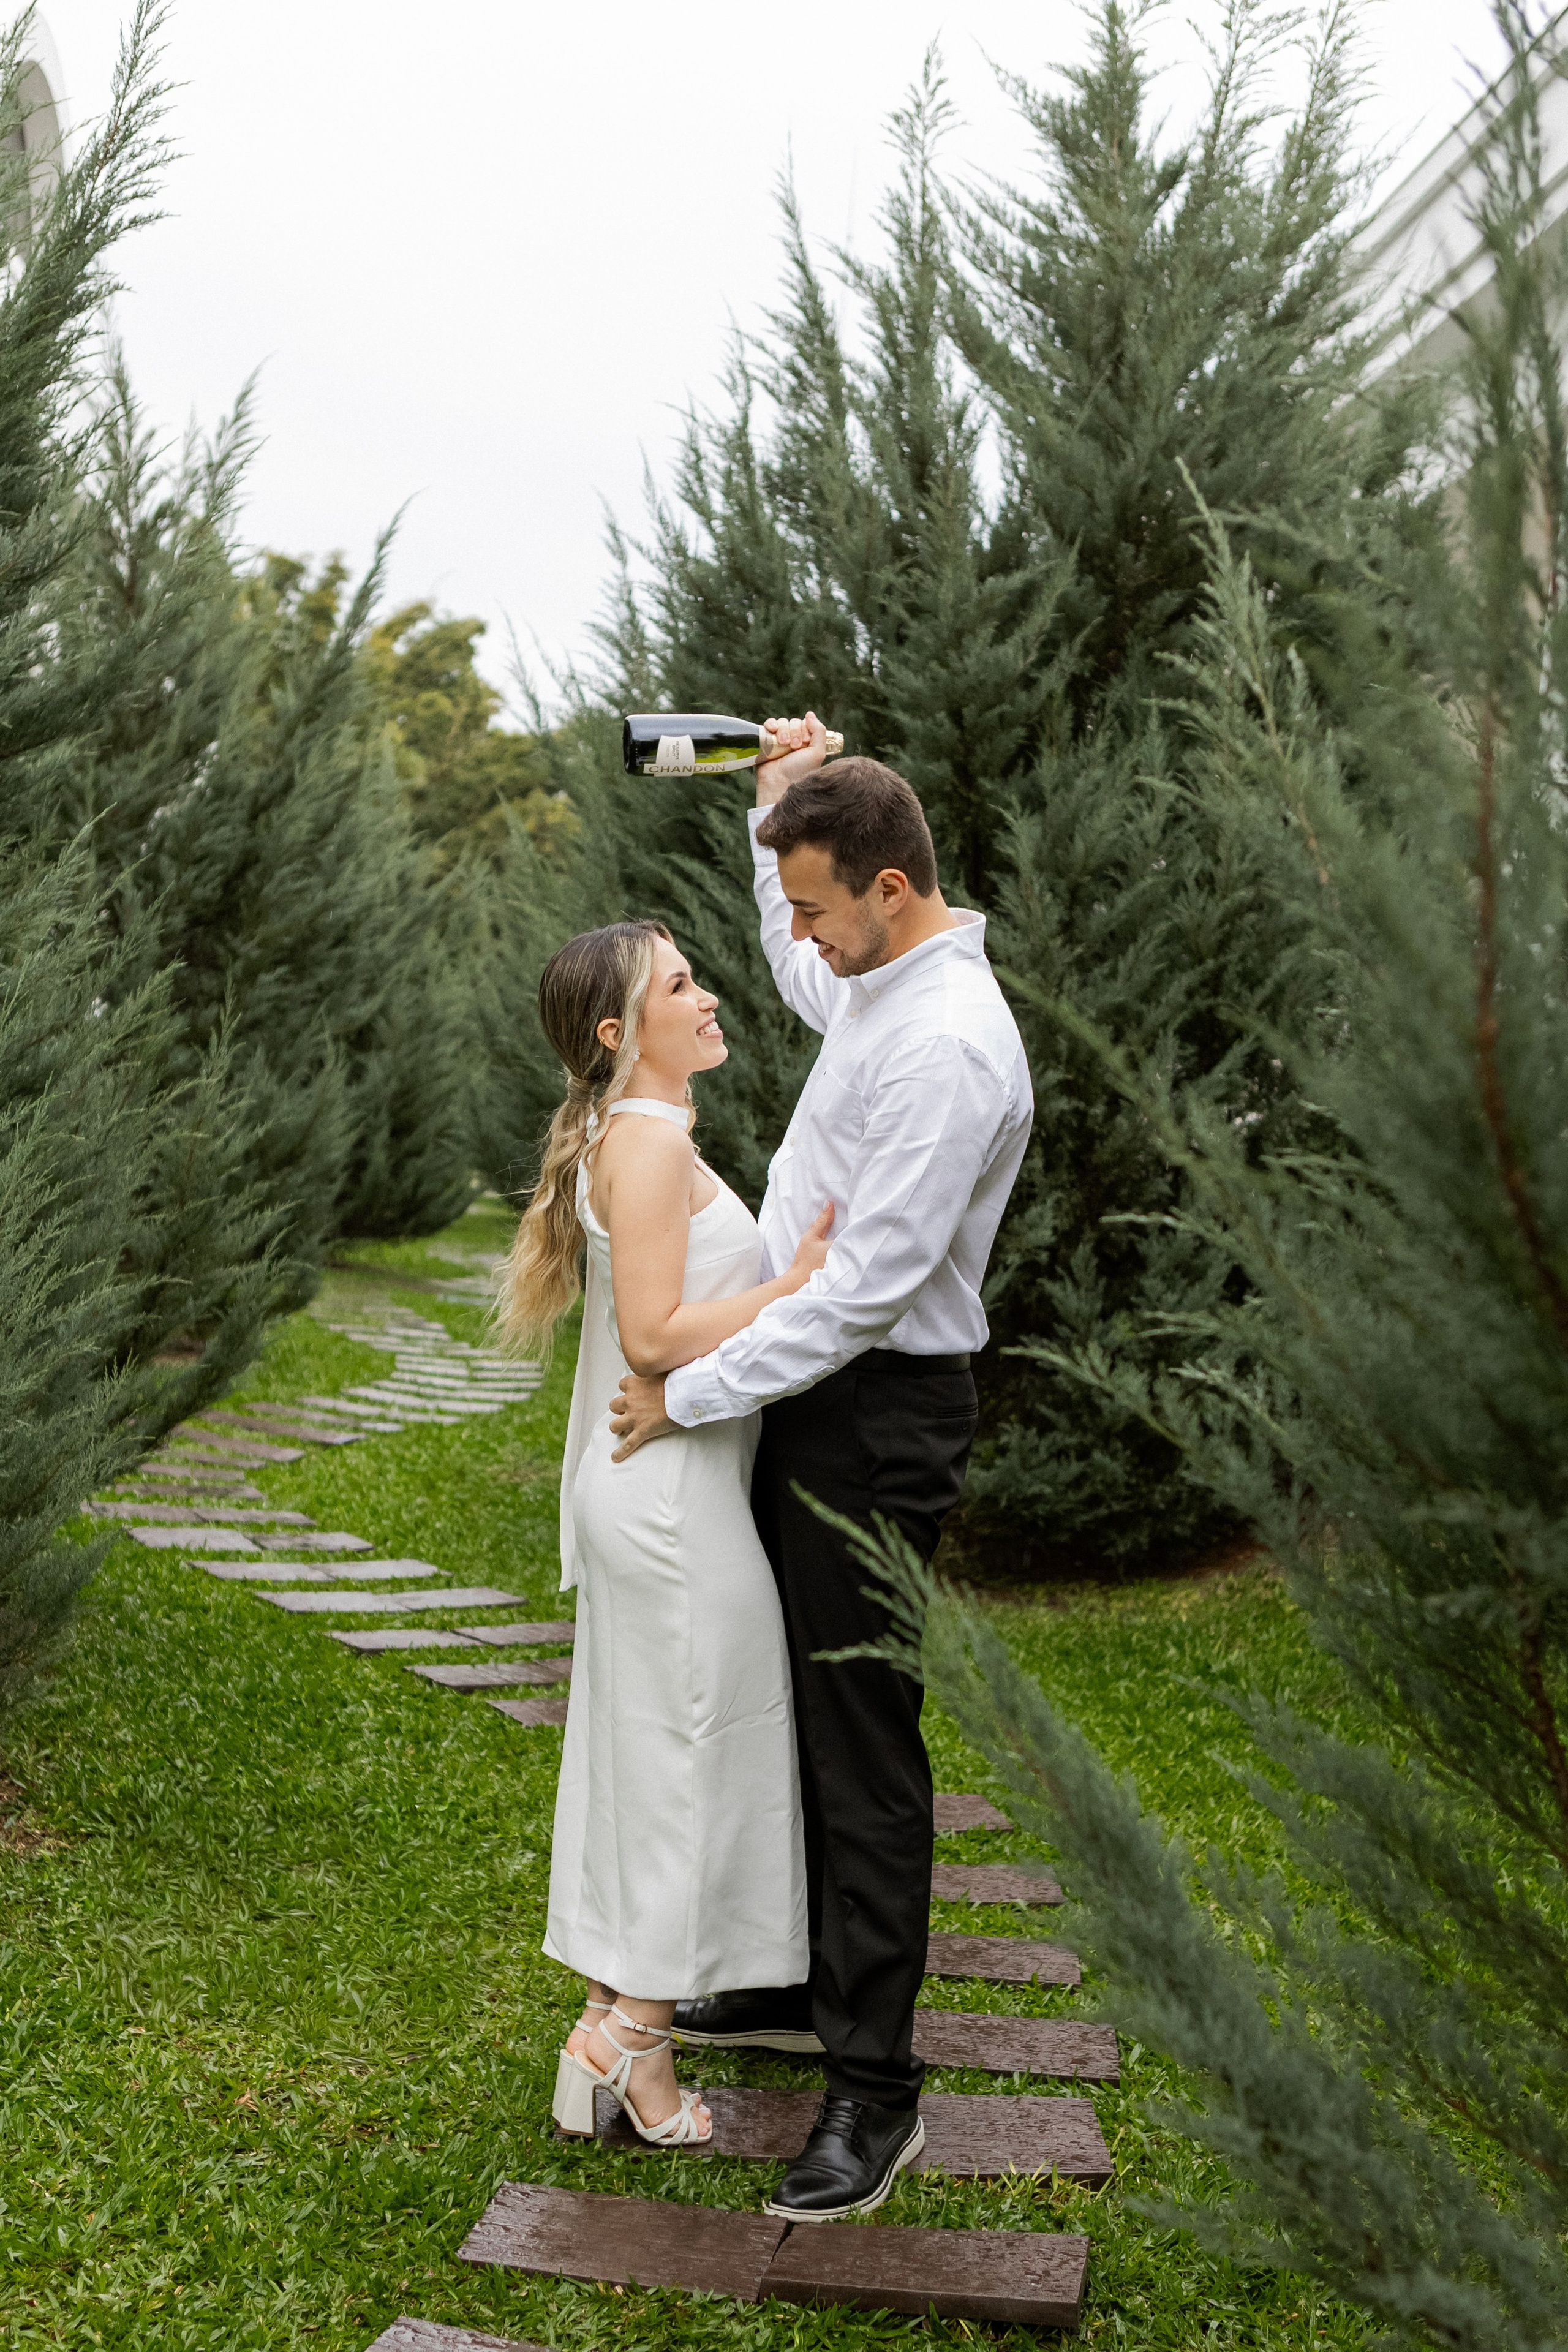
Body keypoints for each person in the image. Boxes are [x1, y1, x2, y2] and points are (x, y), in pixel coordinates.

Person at [609, 716, 1033, 2220]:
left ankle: (874, 2093)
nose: (791, 941)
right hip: (813, 1398)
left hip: (879, 1409)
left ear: (894, 892)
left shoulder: (951, 1046)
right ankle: (792, 1982)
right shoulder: (878, 976)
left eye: (810, 906)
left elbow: (863, 1295)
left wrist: (686, 1388)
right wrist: (770, 807)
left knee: (862, 1747)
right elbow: (804, 968)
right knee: (792, 1709)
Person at [496, 919, 832, 2148]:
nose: (706, 997)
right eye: (677, 985)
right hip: (672, 1508)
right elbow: (652, 1334)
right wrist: (795, 1285)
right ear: (616, 1033)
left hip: (665, 1492)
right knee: (697, 1759)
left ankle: (612, 2031)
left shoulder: (641, 1135)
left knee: (655, 1757)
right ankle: (636, 2038)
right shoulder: (645, 1142)